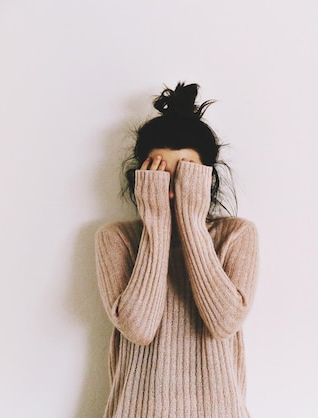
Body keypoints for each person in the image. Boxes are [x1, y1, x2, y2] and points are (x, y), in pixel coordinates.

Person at [94, 82, 259, 418]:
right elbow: (139, 328)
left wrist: (191, 221)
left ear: (206, 178)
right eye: (159, 172)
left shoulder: (236, 235)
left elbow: (224, 322)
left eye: (185, 172)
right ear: (142, 178)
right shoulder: (117, 238)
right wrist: (156, 223)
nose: (171, 186)